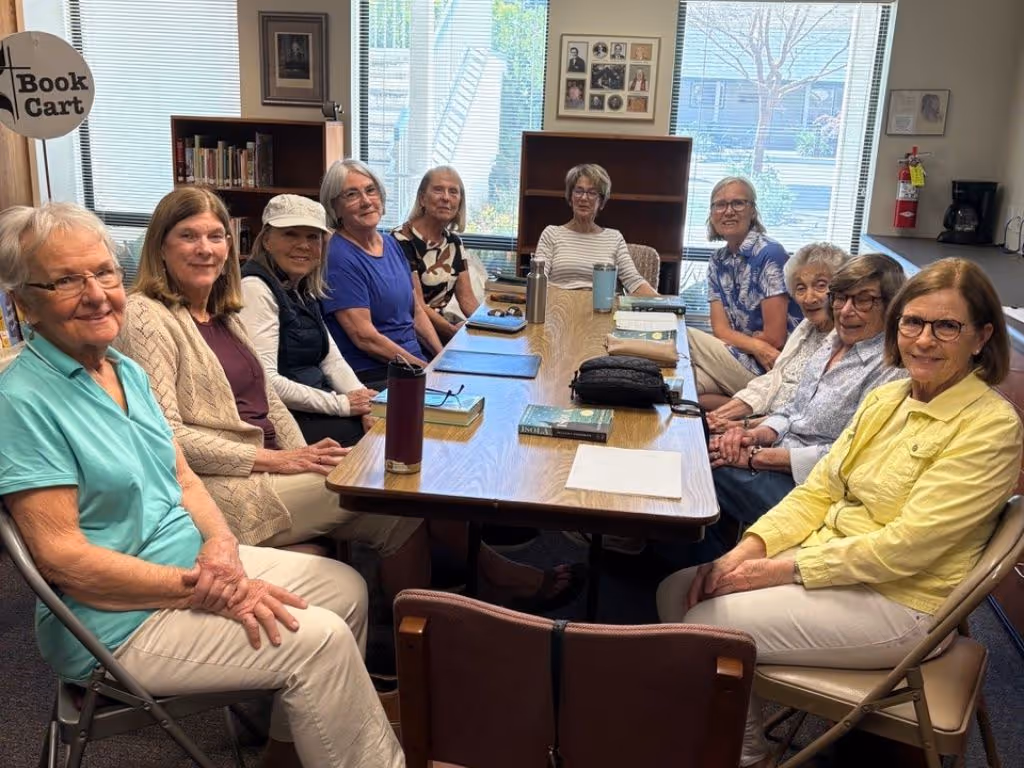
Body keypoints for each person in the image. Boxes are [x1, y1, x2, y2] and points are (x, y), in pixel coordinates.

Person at [0, 202, 403, 768]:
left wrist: (219, 547)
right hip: (113, 620)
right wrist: (205, 588)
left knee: (343, 590)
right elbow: (64, 560)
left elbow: (184, 477)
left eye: (103, 273)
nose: (95, 294)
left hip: (191, 564)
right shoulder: (20, 400)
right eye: (66, 280)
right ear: (24, 303)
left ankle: (286, 755)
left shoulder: (121, 368)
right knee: (321, 641)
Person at [117, 187, 584, 613]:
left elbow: (268, 398)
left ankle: (410, 650)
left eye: (215, 236)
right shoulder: (146, 315)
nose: (205, 248)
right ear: (161, 245)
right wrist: (279, 460)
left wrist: (300, 454)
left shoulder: (223, 310)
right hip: (217, 489)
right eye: (188, 236)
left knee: (401, 509)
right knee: (397, 492)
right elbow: (168, 436)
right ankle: (444, 619)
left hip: (270, 459)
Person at [658, 258, 1022, 768]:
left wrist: (775, 570)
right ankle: (742, 736)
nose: (923, 340)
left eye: (946, 326)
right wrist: (747, 551)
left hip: (902, 602)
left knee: (706, 624)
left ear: (982, 337)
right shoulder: (890, 398)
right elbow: (820, 490)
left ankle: (742, 756)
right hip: (835, 566)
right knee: (677, 589)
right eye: (913, 322)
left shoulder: (989, 428)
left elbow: (906, 547)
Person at [707, 253, 907, 536]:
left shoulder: (892, 369)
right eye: (840, 297)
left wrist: (757, 457)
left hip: (812, 487)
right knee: (701, 446)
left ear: (891, 306)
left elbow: (849, 457)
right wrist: (755, 435)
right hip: (774, 454)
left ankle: (695, 570)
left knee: (704, 469)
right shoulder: (831, 342)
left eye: (863, 300)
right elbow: (792, 410)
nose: (846, 310)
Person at [239, 194, 374, 448]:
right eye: (291, 234)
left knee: (395, 413)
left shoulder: (301, 288)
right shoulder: (255, 289)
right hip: (286, 417)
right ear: (267, 240)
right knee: (380, 439)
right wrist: (343, 405)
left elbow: (330, 358)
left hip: (318, 402)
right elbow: (268, 382)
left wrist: (363, 402)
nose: (304, 245)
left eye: (313, 237)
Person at [320, 159, 443, 391]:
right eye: (351, 195)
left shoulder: (391, 244)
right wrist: (423, 370)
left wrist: (441, 358)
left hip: (412, 363)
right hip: (376, 374)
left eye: (370, 190)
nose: (366, 201)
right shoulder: (337, 257)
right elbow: (365, 337)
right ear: (335, 207)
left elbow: (416, 310)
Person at [706, 242, 850, 430]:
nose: (809, 298)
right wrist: (720, 416)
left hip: (784, 437)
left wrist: (740, 426)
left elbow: (804, 413)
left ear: (841, 288)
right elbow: (774, 380)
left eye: (820, 286)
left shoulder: (845, 341)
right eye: (800, 288)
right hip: (765, 421)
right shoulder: (807, 328)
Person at [688, 177, 802, 402]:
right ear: (712, 214)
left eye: (738, 203)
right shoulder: (717, 260)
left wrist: (753, 344)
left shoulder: (770, 253)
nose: (728, 211)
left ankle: (763, 404)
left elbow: (775, 338)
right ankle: (757, 408)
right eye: (720, 205)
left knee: (686, 334)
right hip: (742, 356)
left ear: (752, 211)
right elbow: (720, 329)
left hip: (769, 367)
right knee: (682, 387)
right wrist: (755, 344)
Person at [535, 163, 659, 297]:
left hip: (602, 311)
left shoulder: (614, 238)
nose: (584, 198)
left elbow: (634, 282)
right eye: (578, 191)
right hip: (560, 308)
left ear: (601, 201)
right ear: (570, 197)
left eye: (592, 193)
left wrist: (667, 307)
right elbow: (538, 281)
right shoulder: (551, 234)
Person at [393, 166, 480, 343]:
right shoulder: (401, 240)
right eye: (438, 190)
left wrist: (490, 326)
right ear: (422, 199)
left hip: (444, 328)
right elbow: (416, 305)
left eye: (453, 192)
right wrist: (453, 334)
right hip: (413, 332)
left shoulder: (454, 243)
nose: (446, 198)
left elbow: (467, 300)